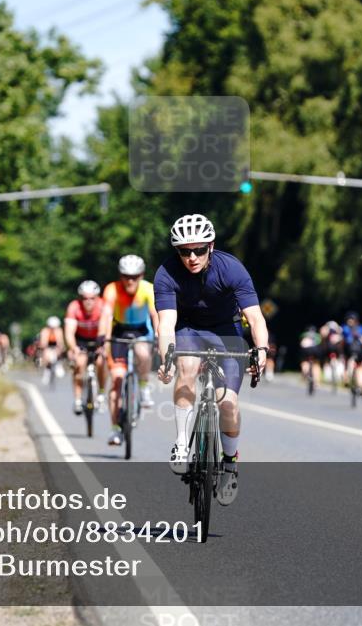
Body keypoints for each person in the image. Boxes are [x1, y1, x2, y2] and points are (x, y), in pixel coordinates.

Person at [155, 214, 269, 507]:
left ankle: (229, 463)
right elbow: (166, 324)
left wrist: (262, 350)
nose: (191, 257)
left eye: (199, 250)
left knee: (228, 402)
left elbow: (255, 317)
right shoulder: (166, 273)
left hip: (226, 331)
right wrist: (166, 356)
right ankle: (181, 443)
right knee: (187, 366)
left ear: (211, 247)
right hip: (189, 329)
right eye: (184, 251)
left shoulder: (231, 268)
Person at [99, 254, 158, 447]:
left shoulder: (148, 288)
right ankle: (115, 429)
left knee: (142, 353)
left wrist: (159, 334)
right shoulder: (112, 289)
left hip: (141, 329)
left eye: (134, 276)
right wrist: (102, 337)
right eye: (126, 276)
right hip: (118, 331)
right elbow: (107, 315)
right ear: (120, 275)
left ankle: (143, 386)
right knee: (116, 378)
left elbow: (155, 314)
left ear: (141, 275)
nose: (130, 280)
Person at [64, 280, 107, 416]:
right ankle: (77, 399)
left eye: (92, 298)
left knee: (101, 362)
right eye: (85, 298)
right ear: (80, 298)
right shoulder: (74, 307)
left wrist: (104, 346)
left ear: (97, 298)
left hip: (98, 339)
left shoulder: (103, 306)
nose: (88, 302)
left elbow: (106, 328)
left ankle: (100, 393)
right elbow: (69, 332)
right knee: (79, 364)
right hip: (80, 340)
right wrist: (73, 347)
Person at [342, 311, 362, 394]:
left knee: (348, 362)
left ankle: (347, 377)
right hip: (360, 350)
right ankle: (361, 386)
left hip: (349, 350)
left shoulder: (345, 328)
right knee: (360, 367)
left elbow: (342, 341)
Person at [37, 316, 65, 384]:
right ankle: (46, 372)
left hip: (56, 347)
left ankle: (58, 364)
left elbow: (60, 342)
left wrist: (60, 348)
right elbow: (43, 342)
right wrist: (45, 348)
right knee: (46, 355)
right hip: (47, 346)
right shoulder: (45, 331)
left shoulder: (59, 331)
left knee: (59, 351)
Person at [321, 320, 344, 385]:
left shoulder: (325, 329)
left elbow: (322, 338)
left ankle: (328, 376)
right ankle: (339, 375)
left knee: (327, 360)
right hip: (336, 349)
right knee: (340, 359)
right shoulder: (339, 329)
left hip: (329, 349)